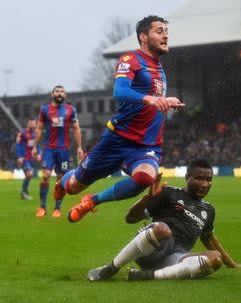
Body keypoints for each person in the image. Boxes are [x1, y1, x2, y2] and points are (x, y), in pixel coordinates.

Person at [54, 15, 185, 223]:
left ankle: (92, 202)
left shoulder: (159, 68)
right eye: (159, 31)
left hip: (146, 146)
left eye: (166, 31)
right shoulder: (130, 60)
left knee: (145, 178)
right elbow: (120, 92)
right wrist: (150, 99)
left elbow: (153, 100)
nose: (166, 35)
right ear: (143, 37)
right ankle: (62, 183)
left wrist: (165, 100)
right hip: (117, 141)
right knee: (74, 186)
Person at [87, 158, 241, 281]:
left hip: (175, 258)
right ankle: (111, 268)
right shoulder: (169, 193)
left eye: (208, 180)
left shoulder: (208, 210)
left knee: (215, 259)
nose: (204, 184)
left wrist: (230, 263)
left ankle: (147, 276)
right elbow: (131, 218)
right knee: (163, 230)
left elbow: (209, 238)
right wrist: (147, 198)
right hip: (149, 249)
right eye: (199, 178)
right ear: (187, 178)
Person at [32, 85, 84, 217]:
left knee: (61, 179)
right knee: (45, 176)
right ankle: (42, 207)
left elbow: (76, 128)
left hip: (63, 149)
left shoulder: (70, 110)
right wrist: (34, 146)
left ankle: (57, 208)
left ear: (65, 95)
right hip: (48, 148)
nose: (59, 93)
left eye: (62, 91)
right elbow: (39, 129)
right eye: (57, 91)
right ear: (52, 94)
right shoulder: (45, 110)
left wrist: (79, 146)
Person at [16, 118, 40, 200]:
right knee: (29, 174)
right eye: (31, 124)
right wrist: (19, 156)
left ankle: (23, 193)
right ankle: (24, 192)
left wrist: (39, 154)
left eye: (34, 124)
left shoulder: (36, 133)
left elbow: (37, 145)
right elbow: (18, 144)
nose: (32, 125)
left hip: (31, 158)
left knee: (29, 175)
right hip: (24, 158)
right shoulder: (22, 133)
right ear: (28, 124)